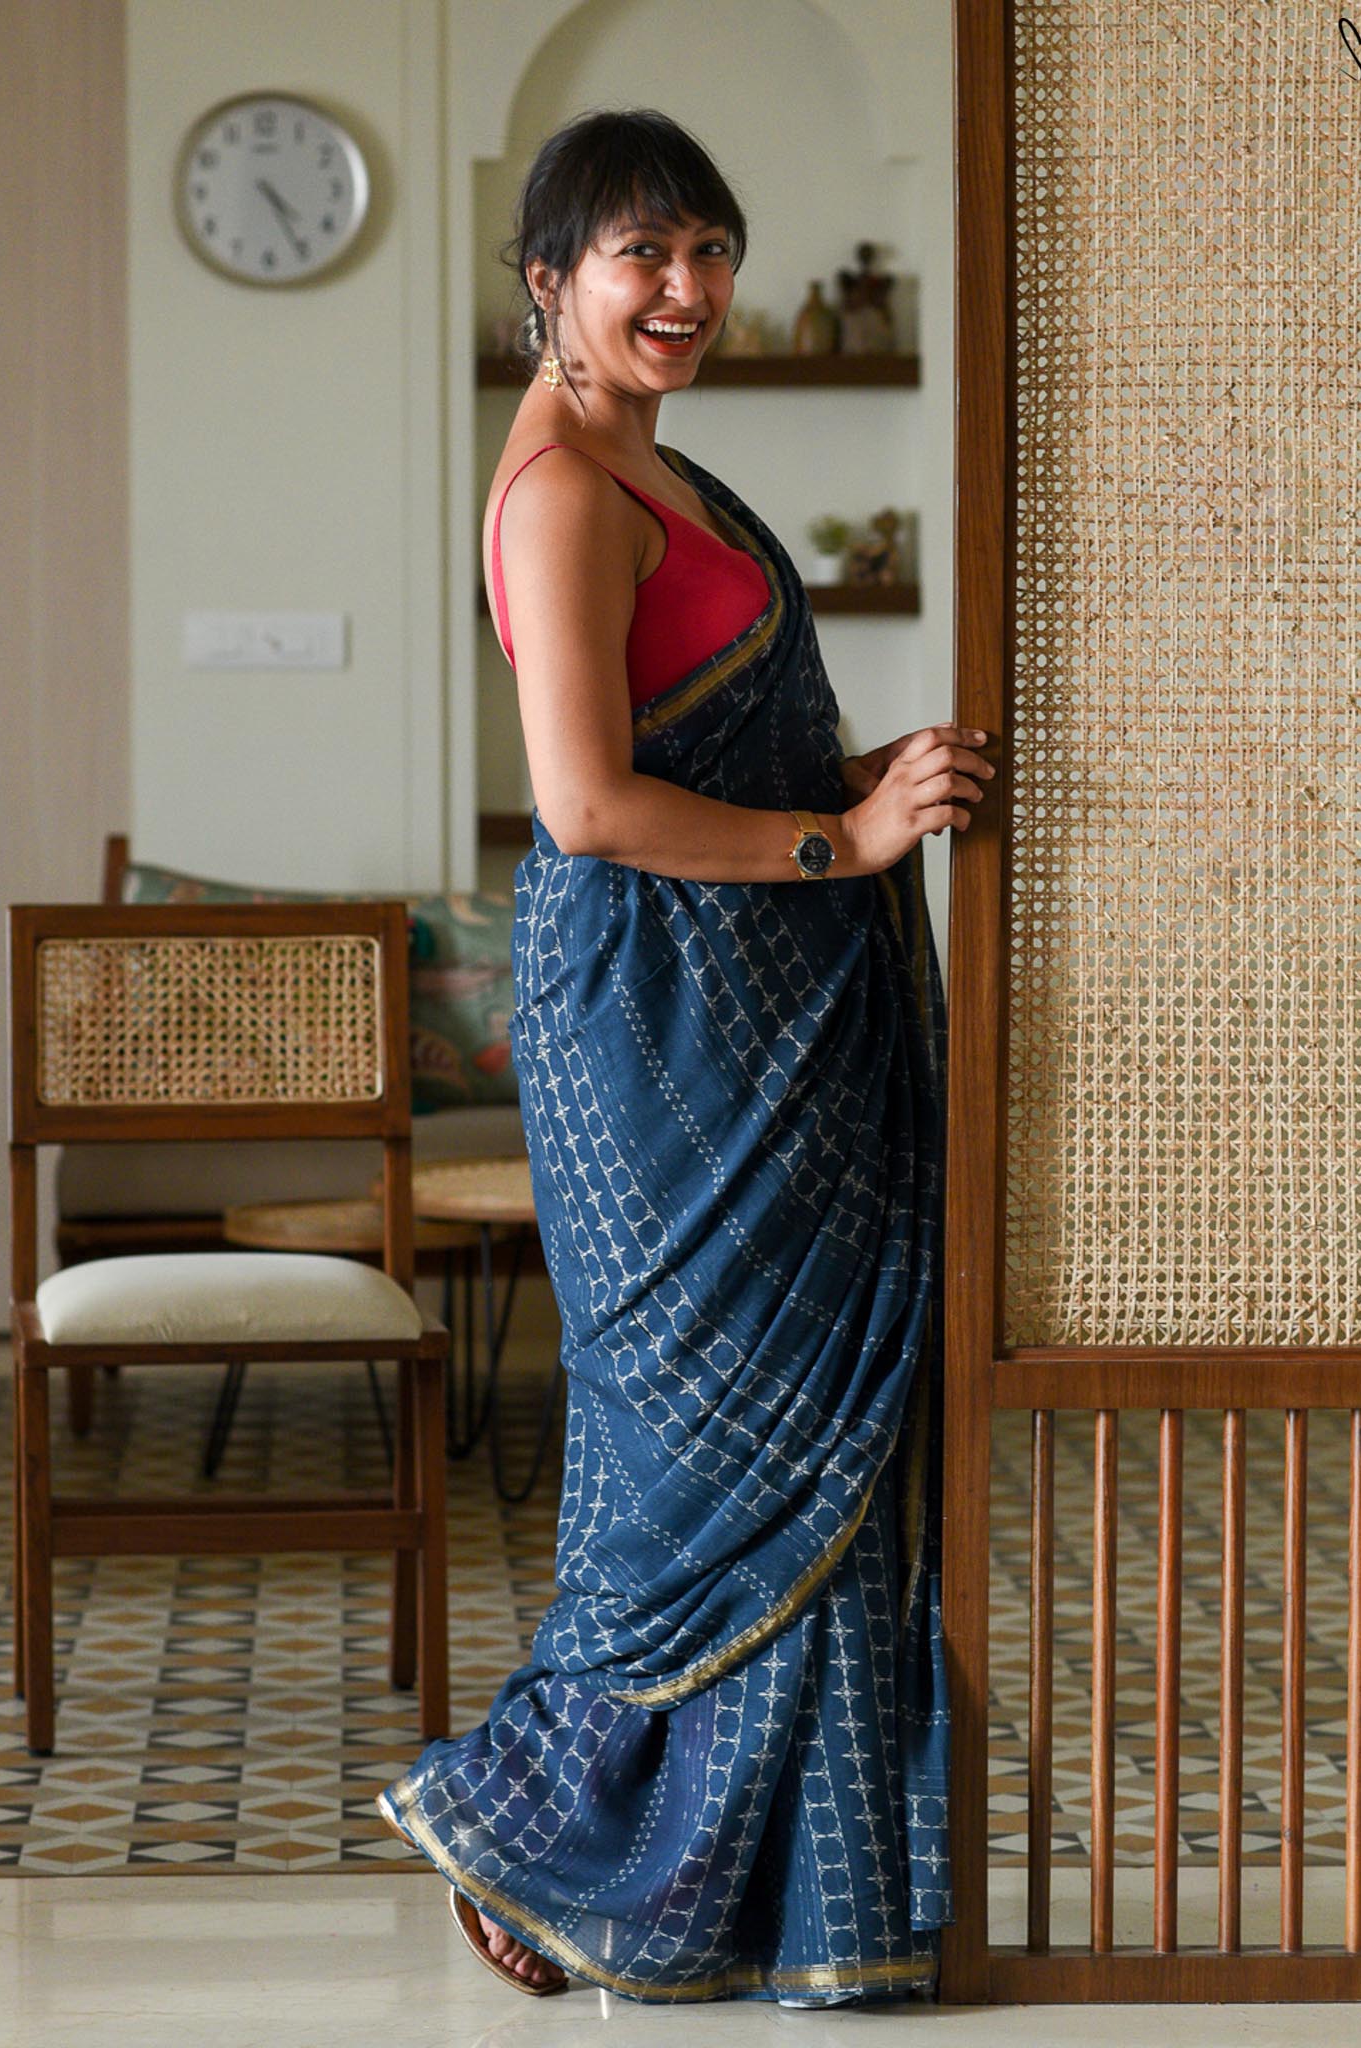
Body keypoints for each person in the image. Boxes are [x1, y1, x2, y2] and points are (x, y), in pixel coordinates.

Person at [377, 106, 995, 2007]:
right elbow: (586, 807)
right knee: (698, 1461)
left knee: (819, 1444)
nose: (688, 288)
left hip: (767, 1009)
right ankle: (536, 1830)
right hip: (663, 1034)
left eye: (711, 250)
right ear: (548, 278)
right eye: (642, 253)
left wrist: (858, 781)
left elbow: (712, 746)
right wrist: (846, 841)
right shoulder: (563, 491)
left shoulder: (660, 463)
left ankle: (778, 1905)